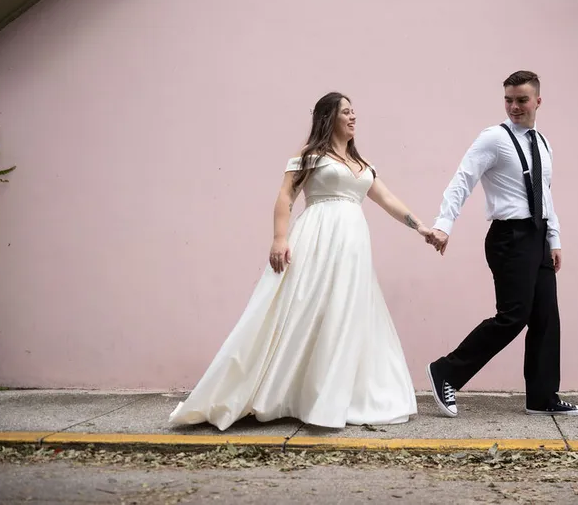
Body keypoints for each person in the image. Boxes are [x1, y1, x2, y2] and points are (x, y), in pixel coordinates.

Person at [169, 92, 428, 430]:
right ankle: (279, 391)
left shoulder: (363, 164)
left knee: (344, 311)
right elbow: (286, 195)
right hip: (318, 237)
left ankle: (331, 395)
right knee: (304, 308)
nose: (353, 117)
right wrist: (280, 238)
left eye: (354, 112)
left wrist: (421, 227)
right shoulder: (310, 157)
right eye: (346, 112)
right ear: (328, 117)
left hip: (353, 246)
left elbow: (388, 199)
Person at [424, 71, 578, 417]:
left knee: (545, 317)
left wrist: (553, 238)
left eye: (522, 100)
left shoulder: (542, 143)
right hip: (509, 237)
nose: (514, 107)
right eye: (509, 100)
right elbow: (462, 179)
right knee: (513, 316)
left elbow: (545, 194)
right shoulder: (494, 139)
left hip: (538, 237)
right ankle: (446, 371)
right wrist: (444, 224)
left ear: (538, 101)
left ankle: (542, 397)